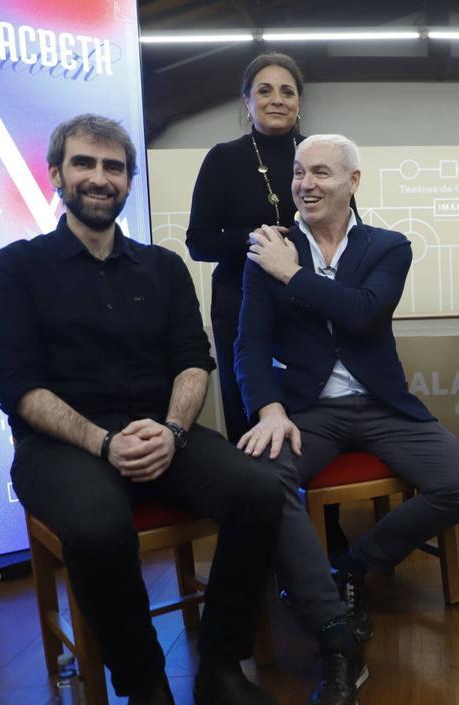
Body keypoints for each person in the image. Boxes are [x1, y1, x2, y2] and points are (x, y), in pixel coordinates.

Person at [0, 115, 285, 705]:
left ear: (127, 181)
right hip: (61, 445)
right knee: (95, 529)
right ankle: (146, 691)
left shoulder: (164, 266)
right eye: (85, 163)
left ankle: (220, 667)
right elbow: (18, 385)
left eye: (114, 167)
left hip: (161, 430)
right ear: (56, 174)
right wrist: (103, 440)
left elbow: (194, 360)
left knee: (261, 492)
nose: (99, 177)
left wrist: (173, 431)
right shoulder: (17, 268)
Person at [235, 134, 459, 655]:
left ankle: (351, 567)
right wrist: (270, 409)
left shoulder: (388, 246)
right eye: (300, 172)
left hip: (380, 403)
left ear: (353, 182)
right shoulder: (268, 248)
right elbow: (250, 346)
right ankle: (317, 599)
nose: (306, 183)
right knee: (257, 483)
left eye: (321, 172)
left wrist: (294, 275)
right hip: (305, 410)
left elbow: (362, 312)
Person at [187, 52, 305, 444]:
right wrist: (256, 238)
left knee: (310, 411)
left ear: (298, 102)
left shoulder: (319, 154)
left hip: (307, 300)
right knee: (248, 412)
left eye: (287, 91)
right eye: (265, 90)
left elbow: (348, 231)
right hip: (238, 301)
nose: (277, 99)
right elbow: (199, 242)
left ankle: (316, 505)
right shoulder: (222, 158)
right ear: (247, 101)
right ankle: (254, 501)